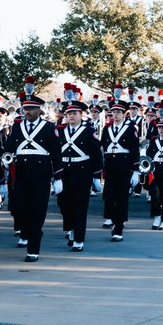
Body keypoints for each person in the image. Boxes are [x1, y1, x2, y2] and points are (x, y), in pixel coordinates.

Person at [3, 77, 62, 262]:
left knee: (37, 209)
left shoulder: (49, 127)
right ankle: (29, 232)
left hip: (41, 173)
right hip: (21, 172)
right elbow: (9, 147)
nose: (26, 112)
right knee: (20, 208)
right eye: (25, 109)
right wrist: (6, 160)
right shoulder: (17, 127)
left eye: (30, 109)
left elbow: (56, 154)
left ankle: (33, 248)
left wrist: (58, 177)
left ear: (39, 110)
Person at [56, 94, 103, 251]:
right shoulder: (60, 131)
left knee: (80, 206)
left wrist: (97, 176)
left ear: (81, 114)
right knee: (64, 204)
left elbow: (97, 155)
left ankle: (79, 239)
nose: (71, 116)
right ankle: (71, 227)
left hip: (83, 172)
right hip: (65, 172)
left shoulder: (89, 131)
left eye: (74, 113)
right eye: (69, 114)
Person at [100, 90, 140, 241]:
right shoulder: (107, 129)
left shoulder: (130, 129)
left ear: (124, 114)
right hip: (110, 165)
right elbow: (103, 147)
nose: (115, 115)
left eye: (118, 112)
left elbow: (135, 149)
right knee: (109, 196)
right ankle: (111, 217)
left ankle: (119, 228)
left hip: (124, 166)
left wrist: (135, 170)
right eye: (113, 112)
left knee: (122, 197)